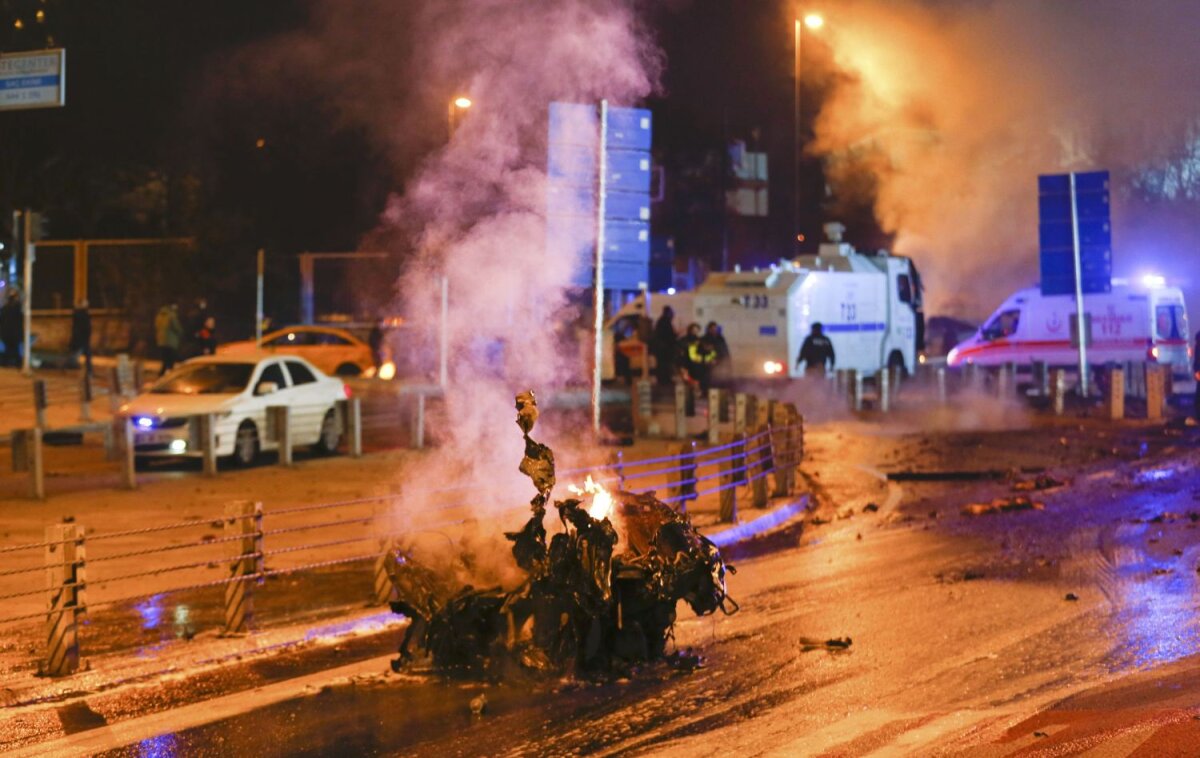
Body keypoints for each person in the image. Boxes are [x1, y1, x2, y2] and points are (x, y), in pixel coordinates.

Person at [651, 306, 677, 386]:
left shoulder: (662, 321)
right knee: (664, 365)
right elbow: (668, 335)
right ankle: (664, 380)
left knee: (662, 364)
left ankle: (663, 379)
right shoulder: (665, 321)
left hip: (662, 348)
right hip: (664, 348)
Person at [155, 304, 183, 375]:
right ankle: (169, 377)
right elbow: (177, 328)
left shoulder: (159, 316)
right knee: (170, 361)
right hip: (171, 342)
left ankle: (162, 376)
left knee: (165, 360)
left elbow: (157, 327)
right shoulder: (172, 316)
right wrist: (181, 333)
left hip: (161, 341)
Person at [69, 299, 93, 376]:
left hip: (81, 338)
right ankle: (89, 371)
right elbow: (86, 327)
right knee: (85, 355)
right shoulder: (83, 314)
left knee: (84, 354)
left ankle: (89, 371)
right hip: (82, 338)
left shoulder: (79, 314)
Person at [703, 321, 731, 387]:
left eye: (715, 328)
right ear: (709, 329)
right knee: (711, 377)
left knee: (722, 377)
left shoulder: (720, 338)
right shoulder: (705, 338)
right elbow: (705, 351)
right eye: (712, 328)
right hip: (711, 362)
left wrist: (727, 359)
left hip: (721, 360)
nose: (714, 330)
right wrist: (711, 360)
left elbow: (725, 349)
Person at [0, 290, 22, 367]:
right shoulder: (17, 308)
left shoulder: (4, 309)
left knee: (8, 350)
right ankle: (18, 364)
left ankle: (5, 363)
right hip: (14, 334)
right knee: (15, 350)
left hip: (6, 334)